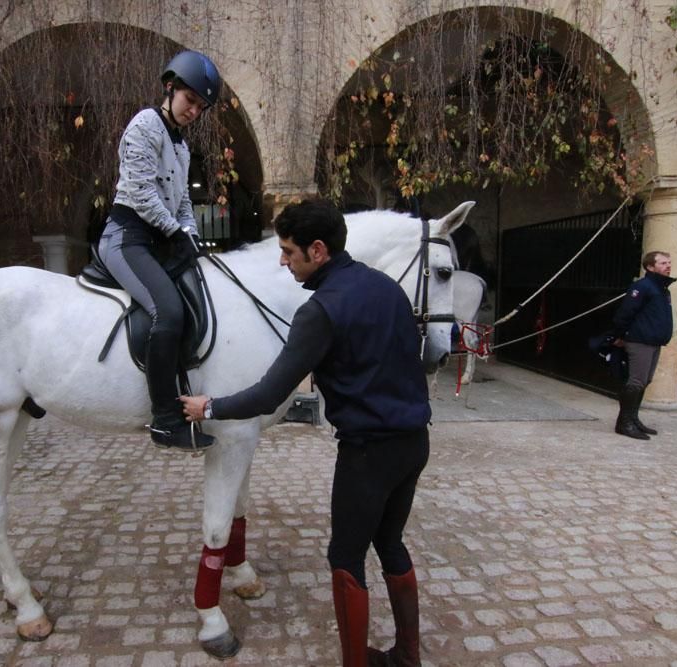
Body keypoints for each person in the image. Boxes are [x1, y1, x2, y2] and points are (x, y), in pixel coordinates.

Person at [181, 199, 430, 667]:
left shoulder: (319, 311)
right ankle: (407, 656)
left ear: (318, 251)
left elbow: (267, 395)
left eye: (289, 251)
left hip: (367, 453)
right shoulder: (388, 289)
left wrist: (208, 405)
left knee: (345, 557)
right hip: (415, 442)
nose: (282, 260)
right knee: (391, 542)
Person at [99, 51, 221, 451]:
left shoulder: (182, 148)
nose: (194, 111)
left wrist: (189, 232)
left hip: (158, 241)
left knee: (195, 297)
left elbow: (182, 200)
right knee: (167, 310)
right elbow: (140, 191)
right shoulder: (145, 125)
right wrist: (174, 231)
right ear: (170, 88)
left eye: (201, 107)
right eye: (191, 101)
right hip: (127, 237)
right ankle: (165, 419)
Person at [610, 250, 675, 440]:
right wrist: (619, 335)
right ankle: (624, 423)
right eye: (663, 263)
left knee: (645, 380)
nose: (668, 266)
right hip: (640, 340)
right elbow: (625, 312)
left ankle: (633, 418)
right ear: (650, 266)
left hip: (654, 341)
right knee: (636, 381)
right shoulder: (643, 286)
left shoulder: (663, 289)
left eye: (669, 262)